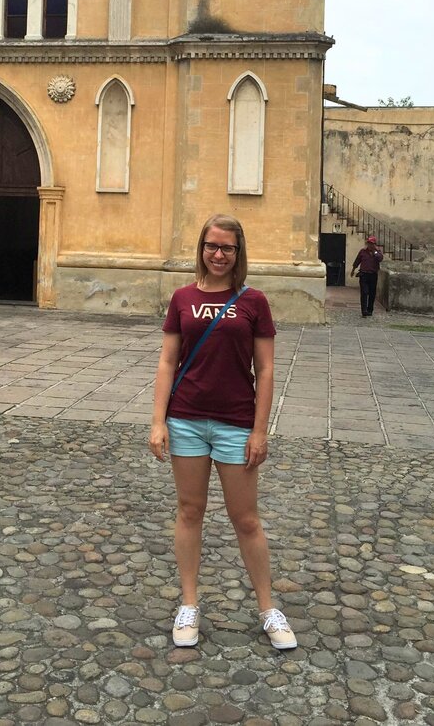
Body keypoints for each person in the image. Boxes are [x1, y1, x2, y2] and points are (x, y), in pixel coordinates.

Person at [149, 214, 297, 652]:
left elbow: (266, 369)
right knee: (189, 511)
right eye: (211, 246)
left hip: (235, 423)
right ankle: (189, 604)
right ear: (201, 249)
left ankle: (268, 609)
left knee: (246, 520)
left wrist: (260, 430)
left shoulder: (254, 302)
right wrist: (158, 421)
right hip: (187, 419)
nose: (218, 254)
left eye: (226, 248)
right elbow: (166, 362)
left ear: (238, 253)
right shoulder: (182, 298)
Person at [350, 235, 384, 317]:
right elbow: (357, 260)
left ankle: (370, 310)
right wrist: (353, 270)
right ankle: (364, 310)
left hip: (373, 275)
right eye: (368, 243)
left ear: (374, 244)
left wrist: (374, 252)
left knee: (372, 293)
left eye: (371, 243)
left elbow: (380, 259)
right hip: (364, 274)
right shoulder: (362, 251)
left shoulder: (377, 252)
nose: (370, 245)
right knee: (364, 292)